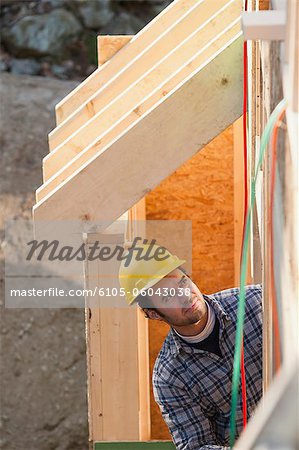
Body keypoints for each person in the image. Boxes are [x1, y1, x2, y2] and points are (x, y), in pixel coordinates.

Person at [119, 243, 263, 450]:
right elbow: (197, 446)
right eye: (168, 297)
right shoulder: (170, 378)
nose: (185, 296)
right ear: (153, 314)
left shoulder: (255, 303)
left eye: (182, 283)